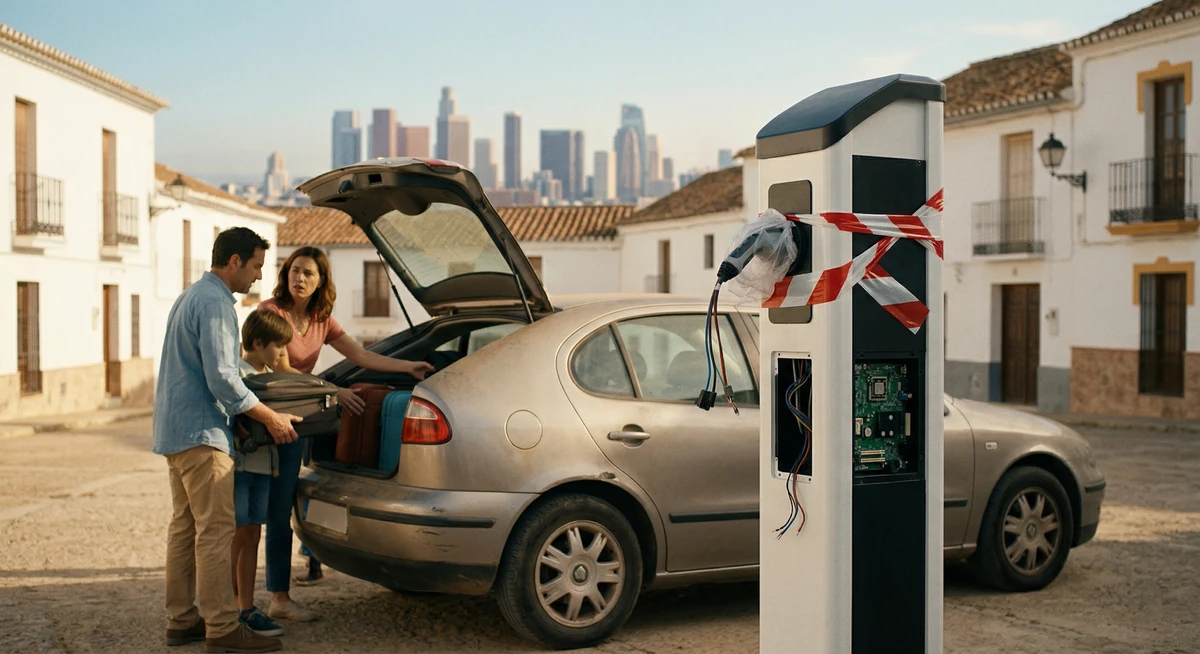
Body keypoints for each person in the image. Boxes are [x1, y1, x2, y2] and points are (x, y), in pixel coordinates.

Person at [257, 246, 434, 622]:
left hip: (300, 422)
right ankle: (259, 599)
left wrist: (408, 367)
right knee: (260, 512)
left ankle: (279, 595)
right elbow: (281, 368)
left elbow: (362, 356)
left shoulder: (321, 319)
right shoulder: (271, 311)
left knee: (285, 505)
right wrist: (332, 391)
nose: (299, 278)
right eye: (294, 270)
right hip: (267, 419)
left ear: (321, 281)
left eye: (308, 273)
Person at [153, 227, 300, 653]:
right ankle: (221, 627)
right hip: (203, 435)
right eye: (255, 266)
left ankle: (182, 621)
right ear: (234, 261)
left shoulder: (189, 296)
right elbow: (223, 377)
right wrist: (270, 417)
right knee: (216, 532)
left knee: (185, 530)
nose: (259, 276)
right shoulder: (216, 303)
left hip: (176, 432)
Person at [229, 309, 294, 638]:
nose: (282, 352)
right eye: (278, 345)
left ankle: (247, 608)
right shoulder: (236, 375)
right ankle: (226, 609)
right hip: (241, 466)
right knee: (237, 534)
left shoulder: (273, 377)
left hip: (264, 466)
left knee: (253, 533)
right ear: (257, 343)